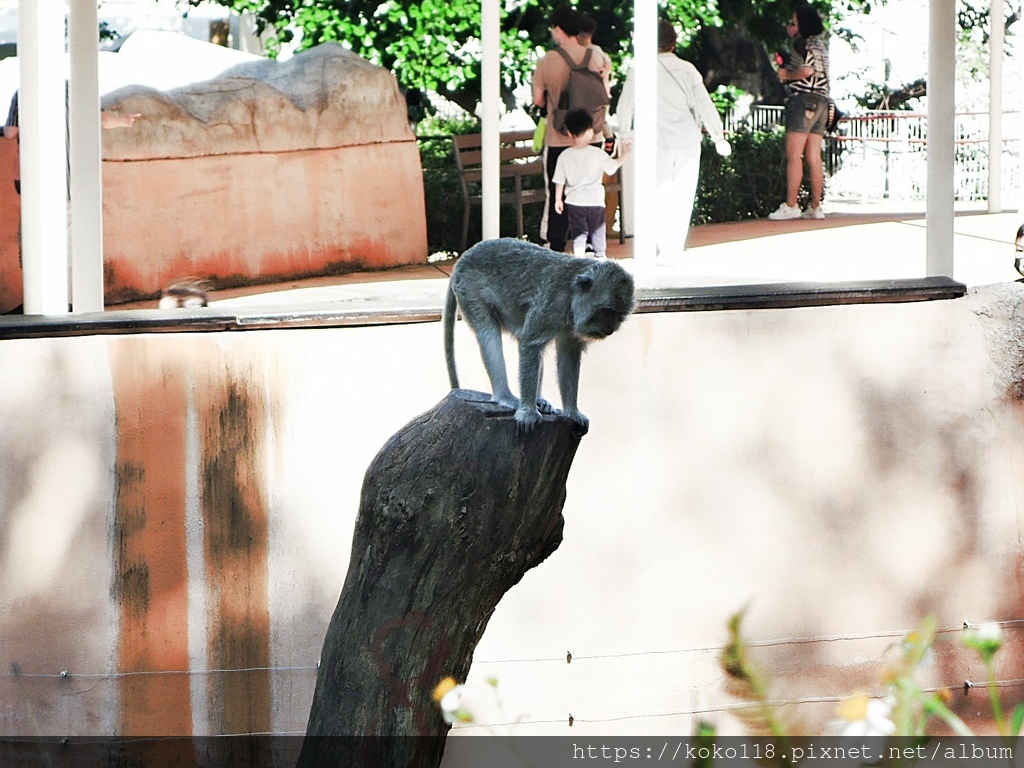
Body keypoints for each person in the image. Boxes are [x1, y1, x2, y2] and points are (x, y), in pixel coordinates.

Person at [616, 20, 731, 261]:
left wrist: (625, 133)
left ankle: (661, 243)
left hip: (654, 141)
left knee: (658, 193)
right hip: (688, 139)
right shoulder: (687, 69)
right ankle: (672, 248)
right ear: (673, 42)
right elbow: (704, 104)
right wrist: (718, 136)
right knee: (683, 194)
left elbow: (625, 104)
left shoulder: (640, 69)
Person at [532, 5, 612, 254]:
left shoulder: (548, 60)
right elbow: (605, 95)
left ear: (558, 29)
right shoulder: (598, 58)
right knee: (590, 188)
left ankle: (556, 246)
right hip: (593, 137)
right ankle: (591, 244)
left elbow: (538, 100)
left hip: (559, 138)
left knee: (558, 193)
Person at [767, 2, 829, 221]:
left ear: (802, 24)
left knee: (794, 154)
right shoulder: (820, 45)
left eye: (793, 22)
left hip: (802, 101)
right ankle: (815, 206)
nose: (790, 26)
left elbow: (806, 70)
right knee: (814, 155)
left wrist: (786, 75)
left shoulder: (800, 45)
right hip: (822, 101)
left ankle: (791, 204)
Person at [552, 108, 629, 259]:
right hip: (595, 200)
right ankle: (600, 256)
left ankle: (580, 256)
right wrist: (625, 156)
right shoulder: (596, 153)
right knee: (597, 230)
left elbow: (559, 180)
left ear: (569, 132)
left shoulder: (564, 156)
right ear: (589, 131)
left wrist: (558, 200)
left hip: (574, 201)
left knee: (579, 231)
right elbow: (612, 167)